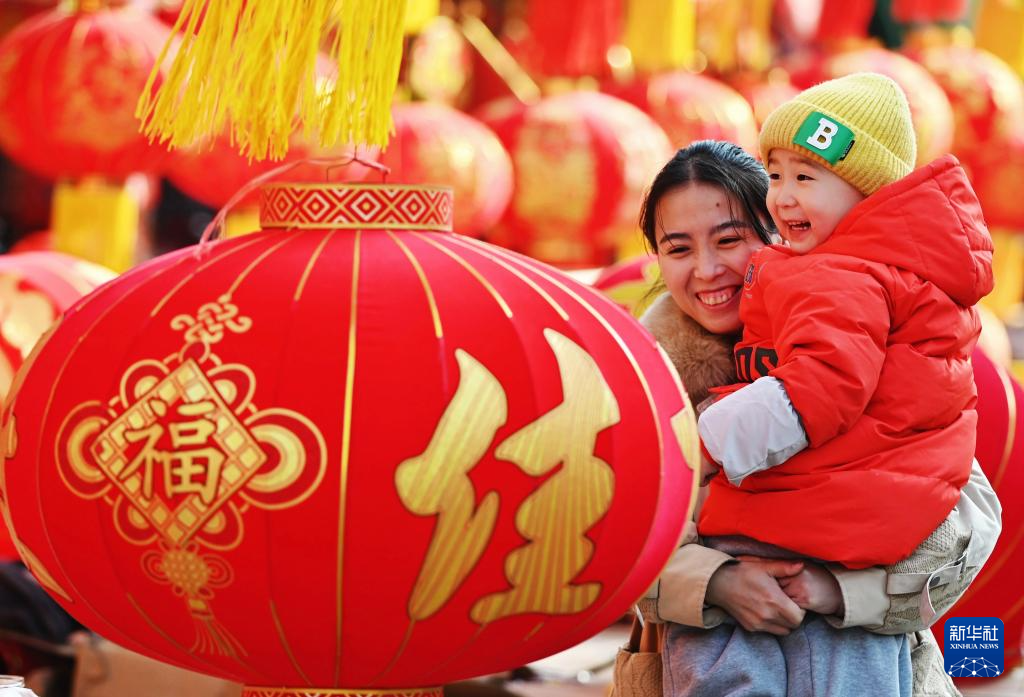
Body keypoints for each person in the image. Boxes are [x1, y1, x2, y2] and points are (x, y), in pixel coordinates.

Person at [634, 139, 1001, 696]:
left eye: (729, 240)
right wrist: (716, 582)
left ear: (779, 231)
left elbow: (967, 525)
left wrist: (839, 590)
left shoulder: (874, 341)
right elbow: (597, 539)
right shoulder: (639, 379)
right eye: (678, 248)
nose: (707, 270)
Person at [696, 72, 995, 573]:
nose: (782, 197)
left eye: (805, 178)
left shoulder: (844, 274)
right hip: (883, 496)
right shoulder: (886, 265)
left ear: (866, 191)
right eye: (775, 175)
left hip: (825, 505)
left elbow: (821, 384)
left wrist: (704, 445)